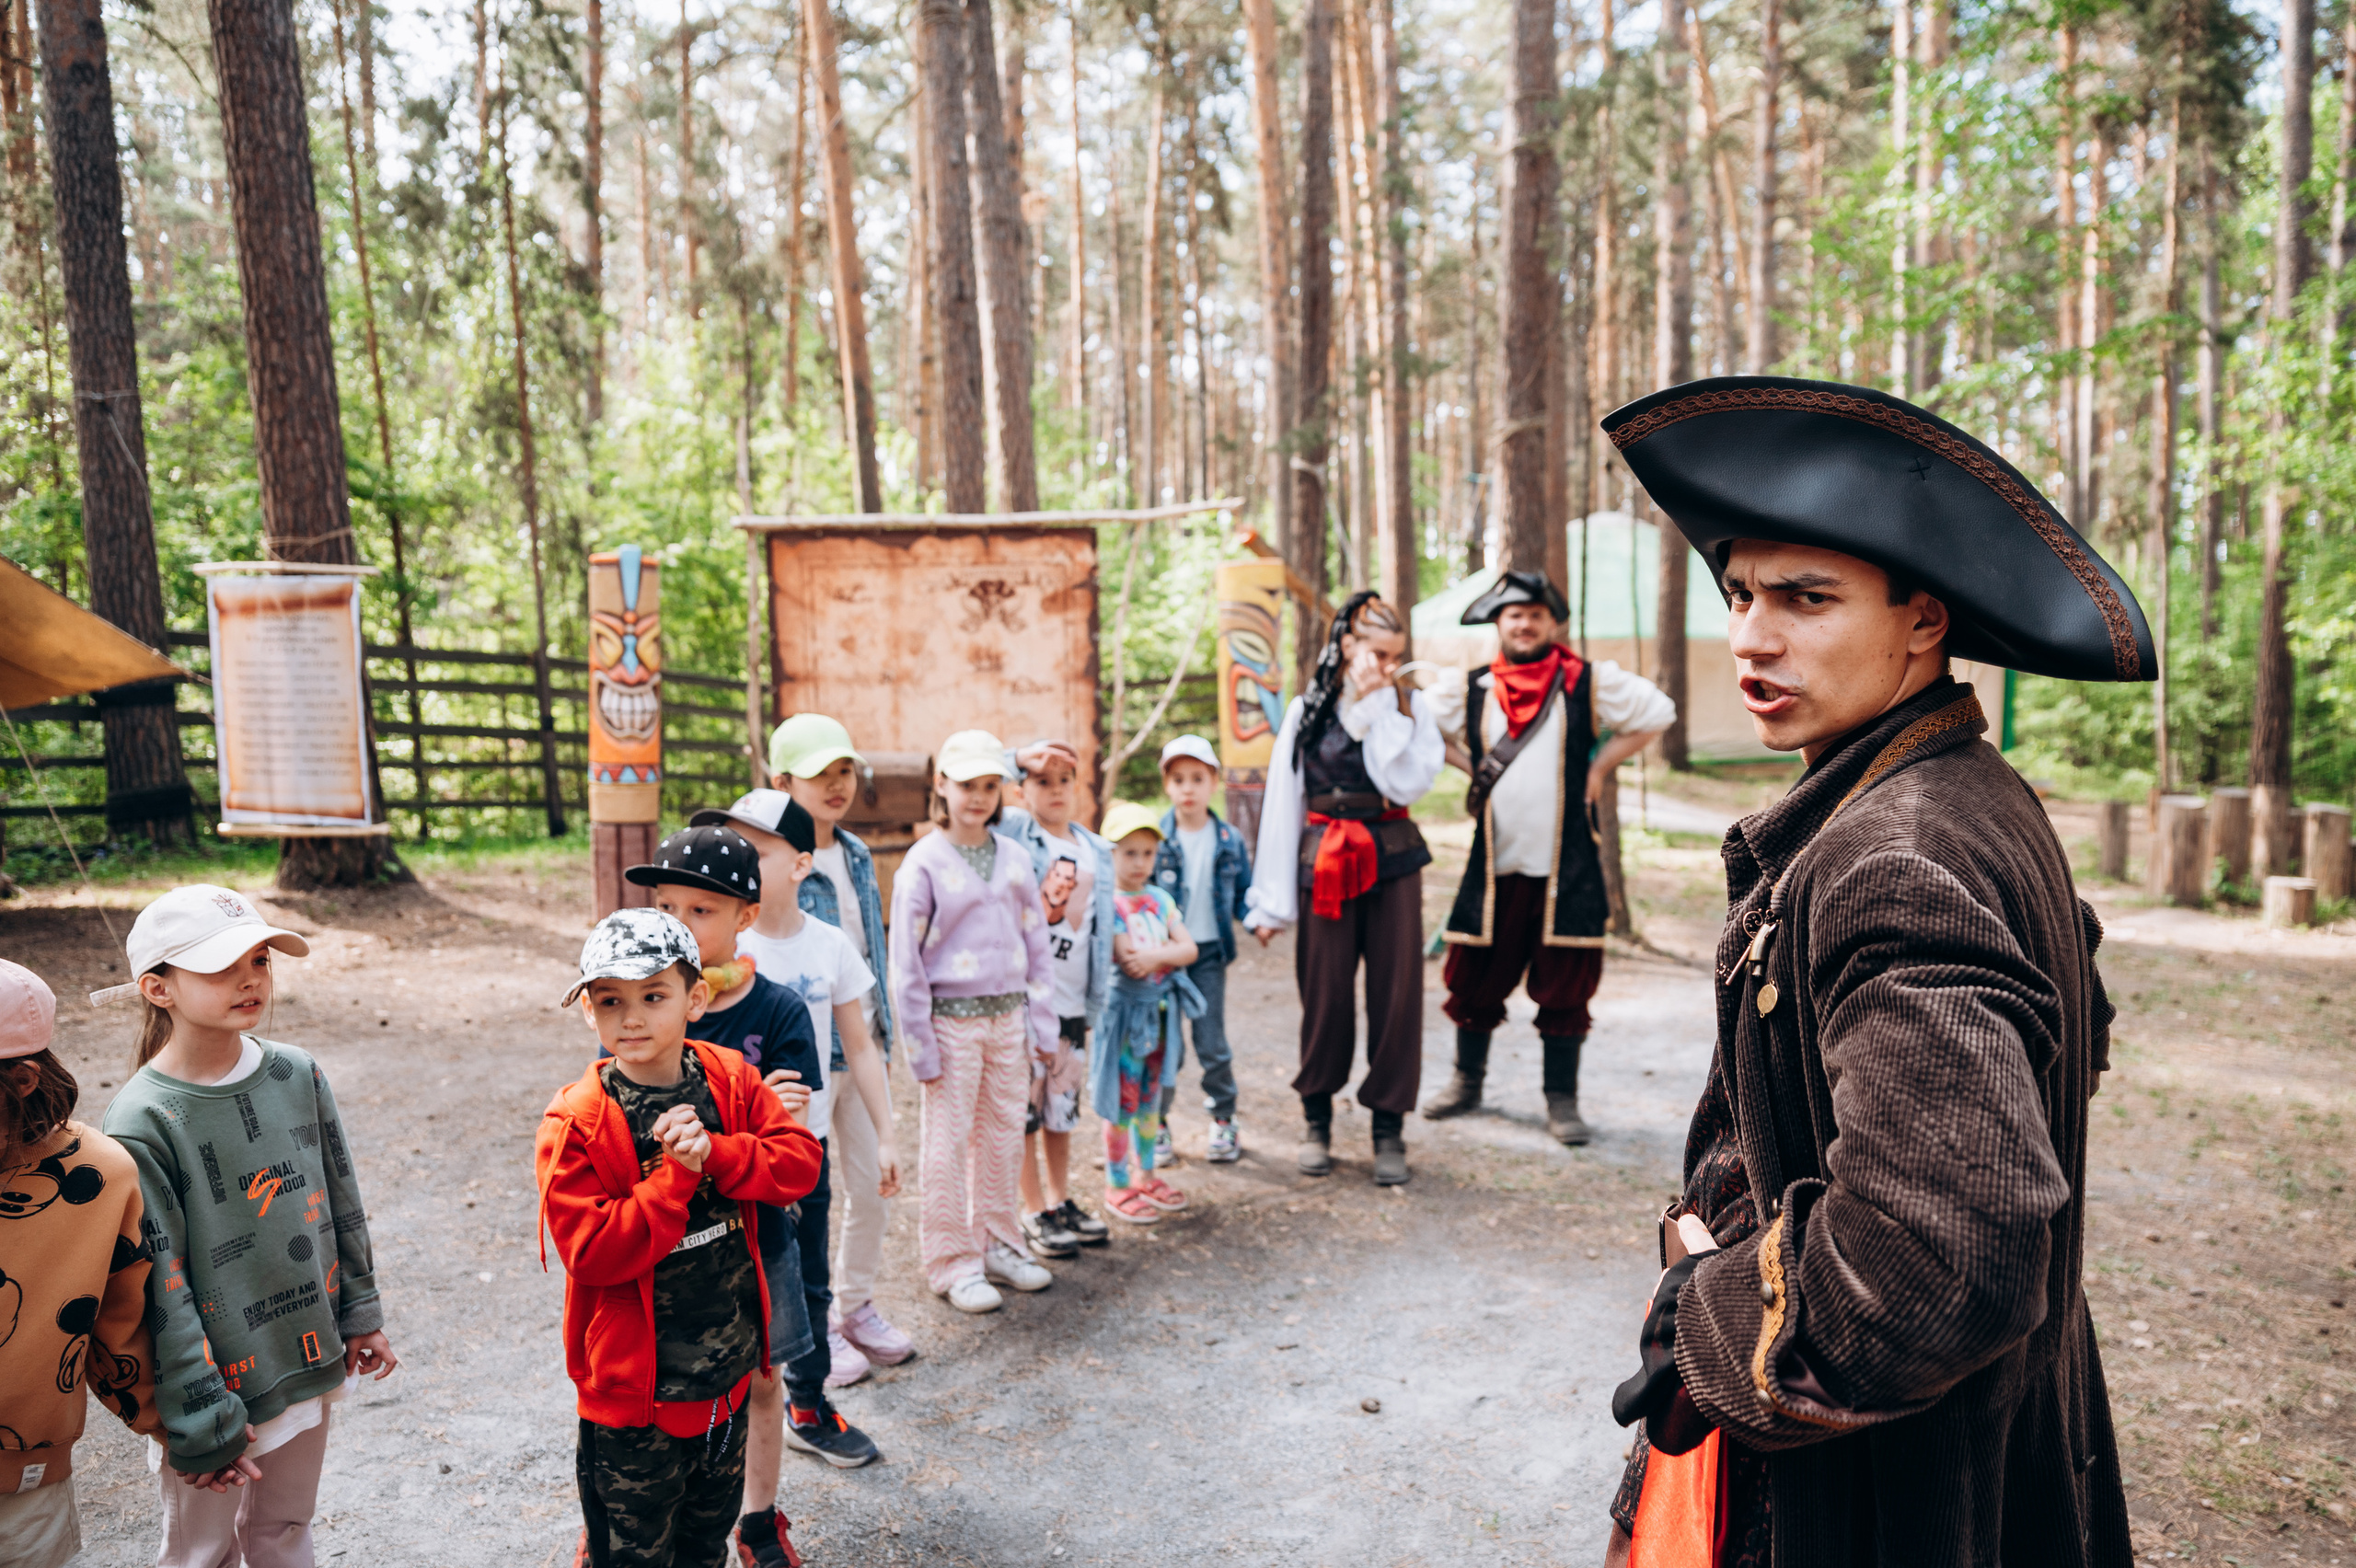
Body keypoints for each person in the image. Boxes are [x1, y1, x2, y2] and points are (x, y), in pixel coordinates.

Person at [1599, 375, 2143, 1565]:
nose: (1751, 636)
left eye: (1807, 598)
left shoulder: (1895, 852)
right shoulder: (1961, 792)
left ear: (1924, 618)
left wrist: (1709, 1315)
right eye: (1740, 592)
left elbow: (1945, 1246)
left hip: (1892, 1508)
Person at [96, 885, 397, 1568]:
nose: (250, 977)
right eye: (220, 964)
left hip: (305, 1355)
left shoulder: (298, 1072)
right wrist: (200, 1412)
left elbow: (339, 1196)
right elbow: (159, 1282)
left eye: (260, 958)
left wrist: (361, 1314)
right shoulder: (141, 1119)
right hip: (214, 1387)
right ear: (157, 988)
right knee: (203, 1553)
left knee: (288, 1527)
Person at [539, 908, 824, 1568]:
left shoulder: (729, 1080)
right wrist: (674, 1183)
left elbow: (798, 1165)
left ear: (697, 998)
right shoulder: (577, 1122)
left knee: (704, 1547)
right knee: (632, 1557)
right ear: (588, 1012)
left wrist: (720, 1153)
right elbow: (592, 1252)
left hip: (725, 1385)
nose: (631, 1018)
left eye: (653, 996)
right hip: (631, 1408)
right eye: (610, 1000)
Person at [616, 826, 849, 1562]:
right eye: (666, 907)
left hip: (758, 1234)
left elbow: (793, 1133)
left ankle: (758, 1518)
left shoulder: (777, 1012)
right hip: (669, 1238)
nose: (678, 925)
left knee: (760, 1378)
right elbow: (624, 1118)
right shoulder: (637, 1007)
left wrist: (732, 1130)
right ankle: (642, 1517)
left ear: (746, 915)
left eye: (701, 910)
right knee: (666, 1382)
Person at [1423, 571, 1675, 1144]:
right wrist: (1471, 770)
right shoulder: (1473, 686)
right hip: (1495, 865)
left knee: (1566, 982)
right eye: (1514, 614)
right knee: (1474, 979)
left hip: (1567, 869)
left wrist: (1599, 766)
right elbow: (1419, 728)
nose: (1524, 623)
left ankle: (1562, 1102)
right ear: (1499, 623)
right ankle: (1467, 1083)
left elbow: (1658, 712)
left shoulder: (1586, 681)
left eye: (1535, 614)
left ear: (1551, 622)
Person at [687, 794, 898, 1469]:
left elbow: (859, 1047)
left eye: (760, 849)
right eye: (733, 844)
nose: (740, 859)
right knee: (726, 1283)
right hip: (723, 1157)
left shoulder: (828, 945)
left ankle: (807, 1404)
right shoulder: (715, 948)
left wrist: (889, 1134)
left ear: (802, 864)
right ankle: (715, 1419)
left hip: (801, 1150)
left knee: (806, 1282)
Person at [1242, 592, 1443, 1186]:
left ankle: (1388, 1126)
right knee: (1325, 992)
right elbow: (1284, 804)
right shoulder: (1307, 710)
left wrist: (1381, 708)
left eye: (1395, 656)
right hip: (1324, 858)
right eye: (1377, 654)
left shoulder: (1411, 708)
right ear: (1348, 645)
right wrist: (1271, 902)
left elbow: (1402, 777)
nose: (1387, 666)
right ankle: (1317, 1119)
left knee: (1397, 995)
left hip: (1393, 856)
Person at [888, 730, 1059, 1313]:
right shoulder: (923, 863)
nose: (979, 797)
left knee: (1005, 1133)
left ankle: (1000, 1242)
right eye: (967, 785)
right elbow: (905, 963)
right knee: (947, 1143)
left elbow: (1037, 943)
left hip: (1009, 1019)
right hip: (949, 1024)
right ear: (942, 786)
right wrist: (918, 1044)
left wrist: (1044, 1026)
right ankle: (952, 1262)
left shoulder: (1014, 859)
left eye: (990, 786)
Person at [766, 713, 914, 1381]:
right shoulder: (773, 865)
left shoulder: (855, 852)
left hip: (864, 1043)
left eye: (844, 771)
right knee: (810, 1197)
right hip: (808, 1064)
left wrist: (885, 1037)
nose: (836, 785)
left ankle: (856, 1305)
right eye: (819, 774)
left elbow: (867, 950)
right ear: (781, 781)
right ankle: (818, 1318)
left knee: (873, 1186)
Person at [0, 960, 157, 1568]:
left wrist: (195, 1430)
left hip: (22, 1493)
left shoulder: (96, 1178)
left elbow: (126, 1327)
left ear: (22, 1080)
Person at [996, 737, 1115, 1260]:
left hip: (1071, 1002)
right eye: (1042, 781)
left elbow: (1100, 926)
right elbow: (983, 780)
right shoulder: (1018, 837)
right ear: (1024, 790)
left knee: (1061, 1108)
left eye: (1064, 780)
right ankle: (1032, 1207)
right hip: (1026, 1001)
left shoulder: (1095, 848)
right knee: (1026, 1107)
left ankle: (1062, 1199)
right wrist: (1021, 757)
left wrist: (1097, 997)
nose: (1056, 790)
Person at [1092, 802, 1203, 1224]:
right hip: (1124, 1018)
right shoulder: (1109, 904)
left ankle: (1146, 1174)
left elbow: (1188, 948)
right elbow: (1129, 959)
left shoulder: (1160, 899)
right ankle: (1117, 1183)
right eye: (1129, 853)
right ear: (1111, 854)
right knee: (1122, 1098)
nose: (1140, 863)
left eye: (1148, 853)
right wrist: (1166, 956)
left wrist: (1158, 957)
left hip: (1159, 1016)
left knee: (1151, 1098)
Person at [1151, 735, 1254, 1164]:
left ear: (1213, 781)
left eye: (1197, 778)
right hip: (1164, 959)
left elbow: (1244, 893)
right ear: (1167, 785)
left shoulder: (1228, 838)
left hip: (1209, 954)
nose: (1188, 788)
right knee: (1164, 1044)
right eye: (1179, 779)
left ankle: (1224, 1119)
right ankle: (1154, 1124)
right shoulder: (1156, 837)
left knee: (1211, 1041)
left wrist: (1257, 920)